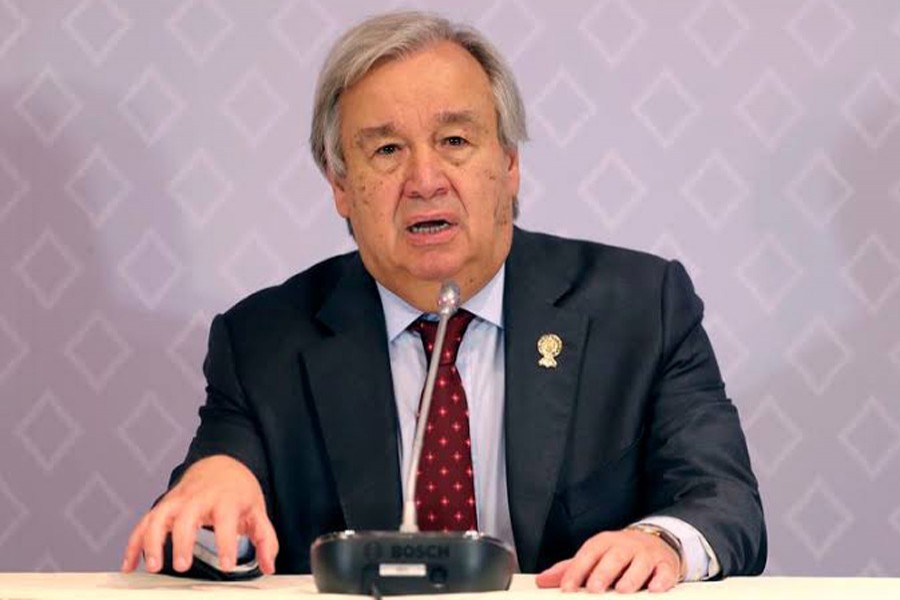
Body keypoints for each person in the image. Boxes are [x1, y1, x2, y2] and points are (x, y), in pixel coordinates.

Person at [121, 11, 765, 593]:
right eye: (386, 150)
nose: (425, 181)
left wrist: (658, 543)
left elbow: (723, 500)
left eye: (455, 141)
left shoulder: (640, 308)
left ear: (509, 165)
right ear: (340, 185)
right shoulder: (265, 339)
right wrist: (213, 492)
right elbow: (207, 534)